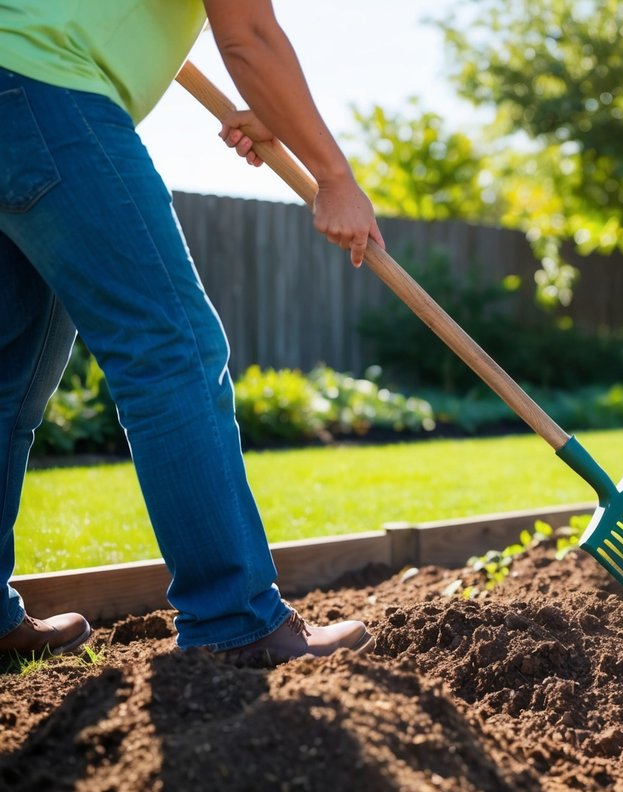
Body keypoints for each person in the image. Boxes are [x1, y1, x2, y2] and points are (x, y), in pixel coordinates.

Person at [0, 0, 385, 664]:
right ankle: (235, 619)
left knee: (9, 385)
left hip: (20, 92)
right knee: (169, 348)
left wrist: (278, 117)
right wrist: (335, 176)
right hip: (46, 92)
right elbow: (251, 35)